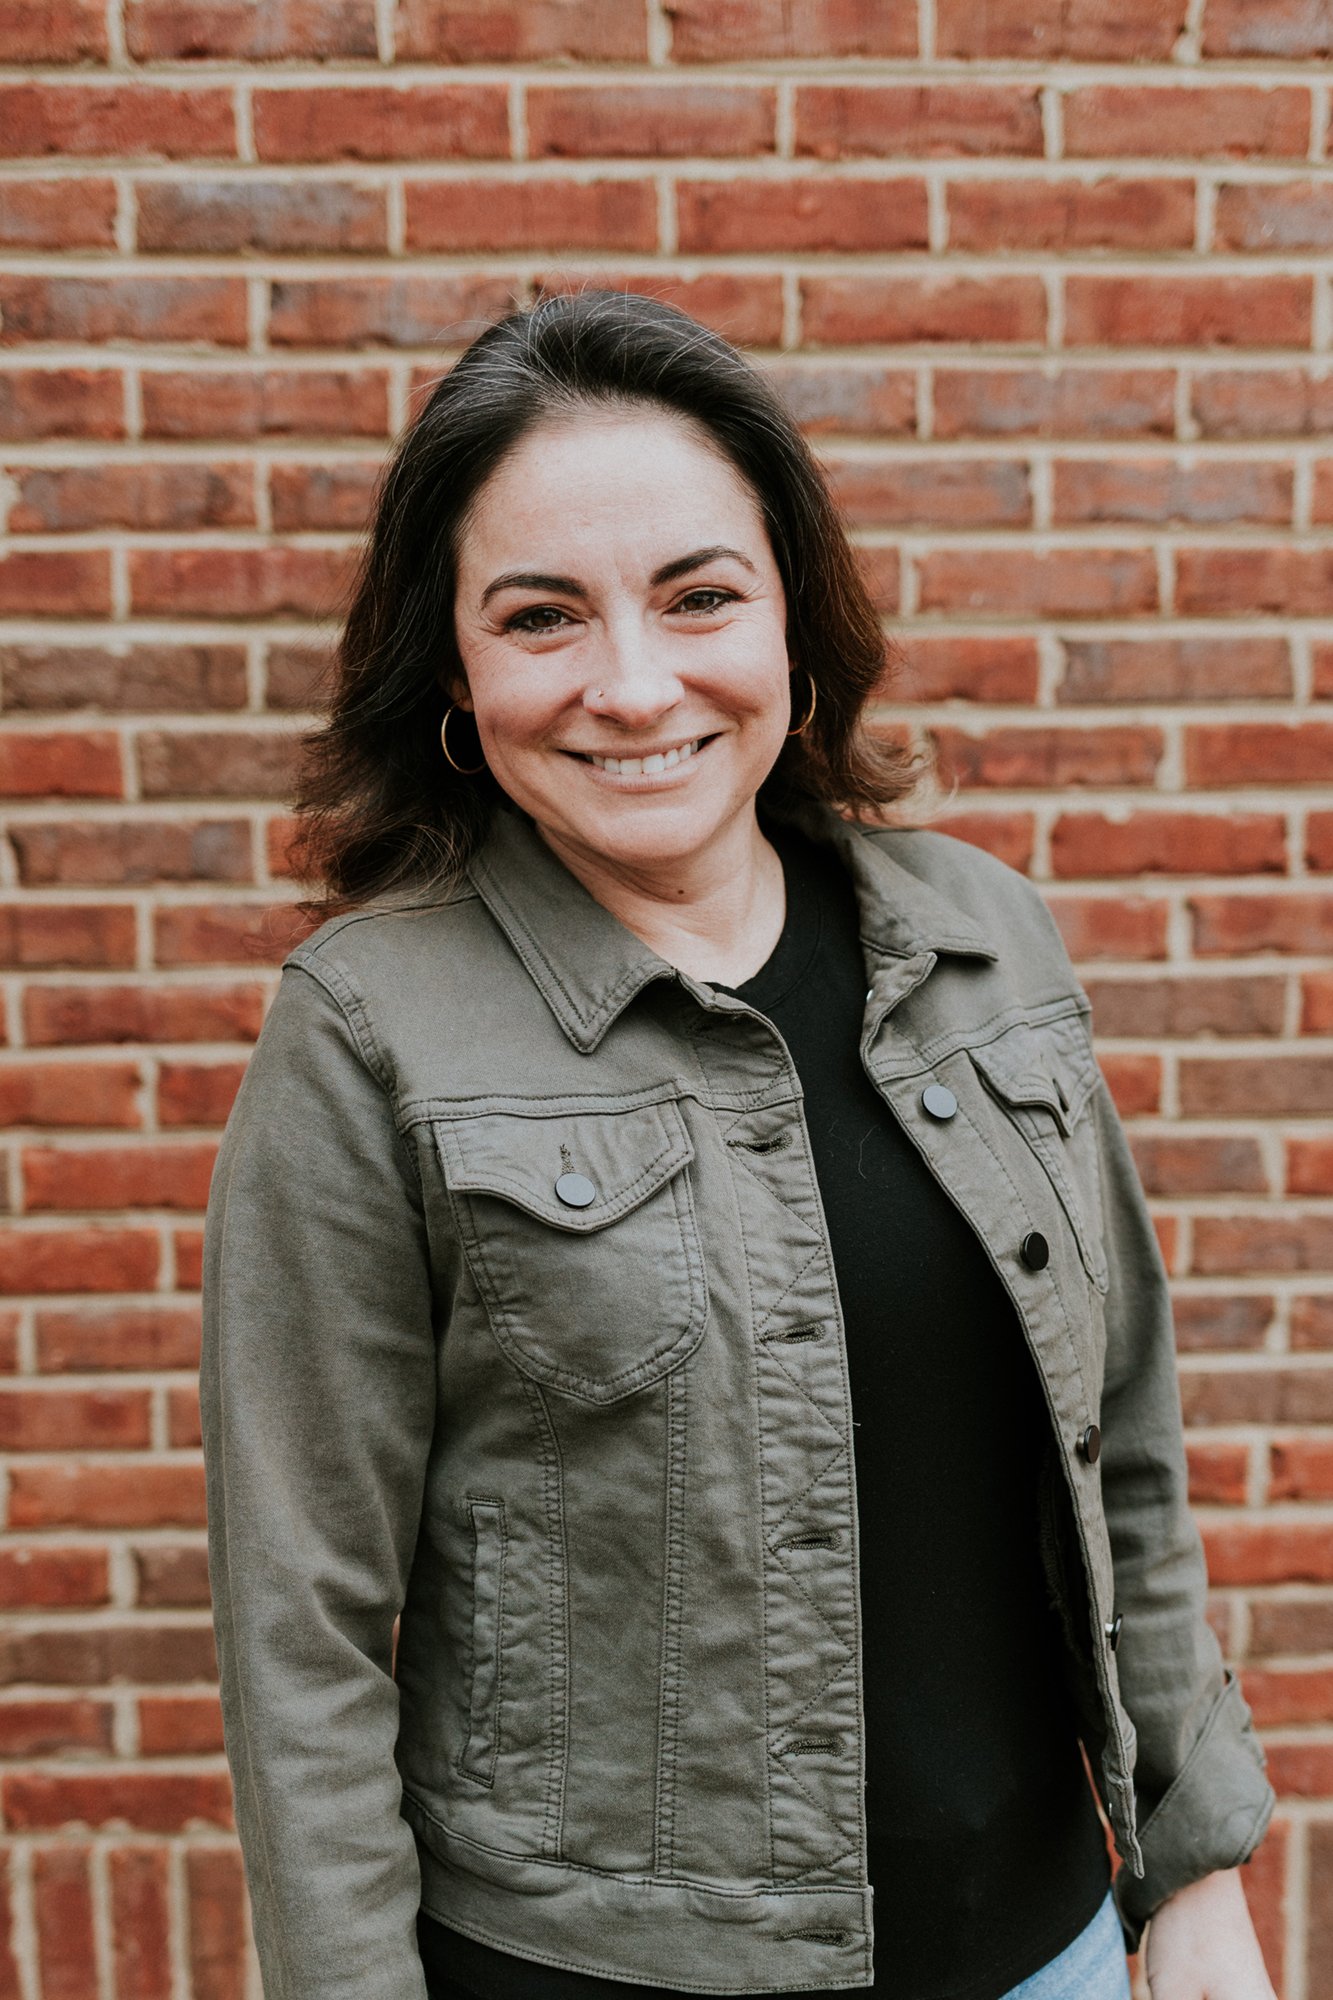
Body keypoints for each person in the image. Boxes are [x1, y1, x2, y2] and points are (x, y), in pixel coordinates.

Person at [200, 289, 1277, 2000]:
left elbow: (1116, 1437)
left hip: (1051, 1952)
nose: (634, 686)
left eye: (698, 596)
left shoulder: (986, 943)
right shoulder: (366, 1032)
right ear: (457, 676)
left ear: (792, 625)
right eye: (541, 617)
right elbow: (302, 1636)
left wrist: (1194, 1862)